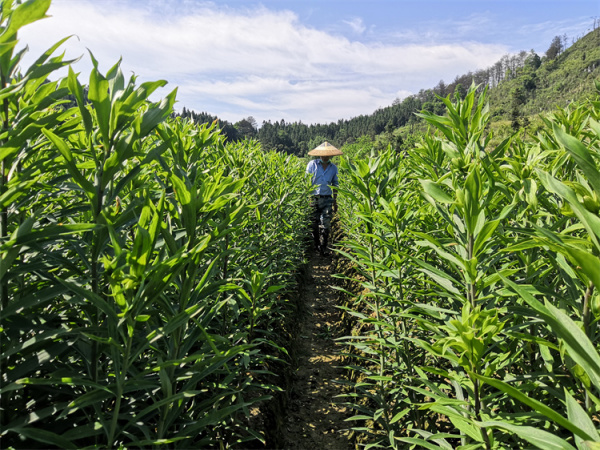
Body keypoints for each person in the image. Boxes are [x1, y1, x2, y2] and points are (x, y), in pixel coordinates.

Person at [306, 141, 343, 256]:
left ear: (331, 155)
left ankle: (323, 246)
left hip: (327, 199)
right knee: (314, 224)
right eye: (323, 155)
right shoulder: (312, 165)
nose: (325, 157)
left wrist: (335, 201)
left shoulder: (333, 168)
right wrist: (307, 198)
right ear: (319, 154)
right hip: (313, 198)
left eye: (327, 155)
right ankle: (316, 245)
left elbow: (335, 185)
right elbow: (307, 181)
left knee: (326, 224)